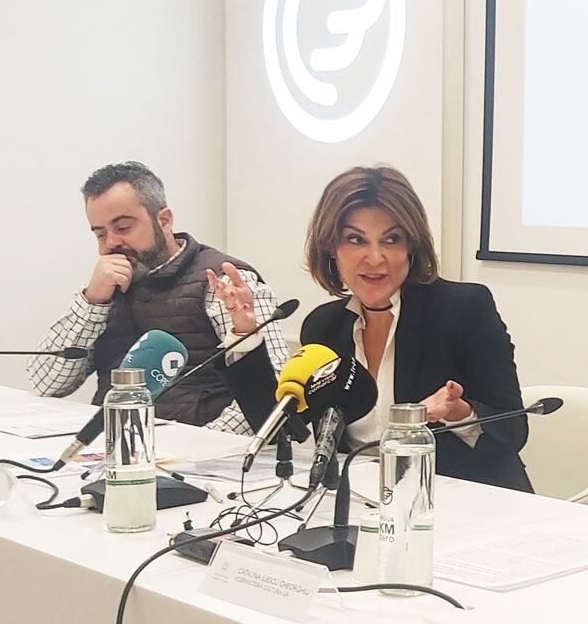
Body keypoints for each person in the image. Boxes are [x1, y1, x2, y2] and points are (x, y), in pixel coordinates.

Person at [227, 164, 532, 490]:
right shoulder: (325, 326)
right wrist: (246, 337)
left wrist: (458, 412)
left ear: (411, 247)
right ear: (332, 247)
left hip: (467, 499)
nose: (375, 258)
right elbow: (281, 432)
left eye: (391, 239)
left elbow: (513, 429)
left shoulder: (463, 308)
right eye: (355, 239)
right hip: (359, 503)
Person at [30, 161, 288, 430]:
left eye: (123, 228)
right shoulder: (105, 289)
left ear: (163, 220)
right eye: (100, 234)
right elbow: (46, 383)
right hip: (114, 444)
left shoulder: (223, 281)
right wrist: (92, 301)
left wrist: (203, 447)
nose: (111, 243)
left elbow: (273, 385)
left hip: (199, 455)